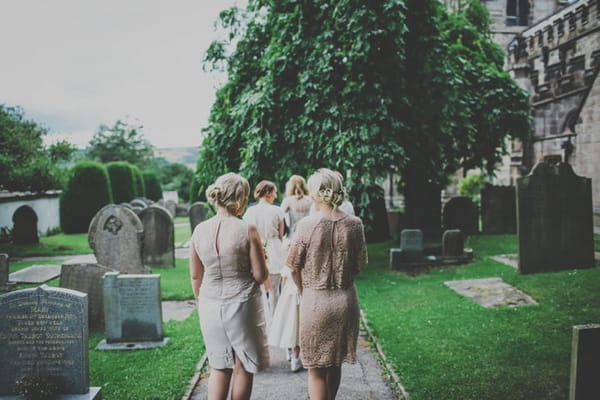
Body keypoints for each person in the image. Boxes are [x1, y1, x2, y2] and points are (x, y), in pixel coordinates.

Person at [287, 168, 367, 400]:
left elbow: (292, 266)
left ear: (315, 194)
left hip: (315, 301)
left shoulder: (306, 226)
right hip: (346, 299)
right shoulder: (355, 224)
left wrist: (305, 289)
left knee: (315, 370)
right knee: (334, 364)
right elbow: (360, 264)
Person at [189, 172, 270, 400]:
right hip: (242, 303)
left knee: (218, 367)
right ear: (241, 198)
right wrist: (264, 258)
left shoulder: (199, 230)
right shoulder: (247, 229)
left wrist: (201, 302)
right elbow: (260, 275)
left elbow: (196, 276)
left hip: (209, 305)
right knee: (243, 365)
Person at [268, 175, 312, 372]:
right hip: (308, 241)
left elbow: (281, 222)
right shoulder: (310, 201)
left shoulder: (286, 202)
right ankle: (296, 349)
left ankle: (289, 345)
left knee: (288, 287)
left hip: (291, 243)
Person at [243, 180, 285, 316]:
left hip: (255, 248)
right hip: (275, 248)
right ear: (268, 192)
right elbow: (280, 234)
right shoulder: (277, 210)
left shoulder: (249, 212)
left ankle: (261, 317)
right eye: (274, 192)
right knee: (274, 290)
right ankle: (275, 320)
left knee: (258, 289)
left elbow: (246, 234)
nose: (276, 196)